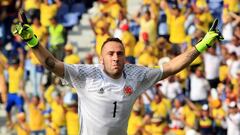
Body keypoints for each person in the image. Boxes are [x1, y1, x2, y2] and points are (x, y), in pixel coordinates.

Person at [12, 17, 223, 135]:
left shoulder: (135, 75)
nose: (115, 58)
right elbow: (51, 63)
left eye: (120, 54)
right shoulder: (86, 75)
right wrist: (33, 41)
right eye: (110, 54)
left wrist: (203, 44)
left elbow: (170, 68)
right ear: (101, 59)